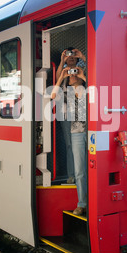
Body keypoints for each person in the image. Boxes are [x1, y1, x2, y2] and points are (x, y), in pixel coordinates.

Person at [52, 48, 87, 216]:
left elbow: (96, 74)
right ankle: (72, 176)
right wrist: (62, 66)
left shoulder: (84, 77)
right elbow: (53, 93)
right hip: (70, 119)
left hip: (84, 121)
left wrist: (82, 71)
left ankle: (84, 195)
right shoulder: (64, 75)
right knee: (69, 146)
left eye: (74, 57)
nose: (71, 60)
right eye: (68, 57)